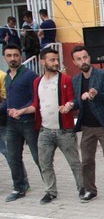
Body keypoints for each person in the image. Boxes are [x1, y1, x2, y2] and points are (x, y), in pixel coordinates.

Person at [10, 48, 83, 204]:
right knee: (44, 163)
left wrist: (68, 106)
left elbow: (73, 100)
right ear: (42, 62)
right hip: (45, 130)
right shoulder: (37, 82)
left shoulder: (65, 79)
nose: (56, 62)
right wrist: (22, 111)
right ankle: (50, 192)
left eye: (57, 59)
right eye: (52, 60)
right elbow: (36, 105)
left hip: (64, 130)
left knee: (74, 162)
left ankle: (82, 188)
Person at [71, 46, 104, 202]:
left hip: (103, 125)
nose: (83, 61)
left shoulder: (102, 74)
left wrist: (96, 94)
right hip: (87, 127)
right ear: (74, 62)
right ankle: (90, 190)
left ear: (89, 57)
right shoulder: (76, 80)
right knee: (87, 161)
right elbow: (78, 101)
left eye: (85, 57)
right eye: (79, 59)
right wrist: (71, 105)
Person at [1, 44, 39, 202]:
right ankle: (19, 187)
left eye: (15, 55)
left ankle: (51, 188)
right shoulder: (7, 77)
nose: (13, 59)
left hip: (29, 122)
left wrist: (21, 110)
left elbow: (36, 98)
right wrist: (5, 109)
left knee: (38, 156)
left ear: (21, 56)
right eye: (9, 56)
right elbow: (8, 101)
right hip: (12, 124)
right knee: (13, 156)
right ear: (4, 57)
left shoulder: (30, 75)